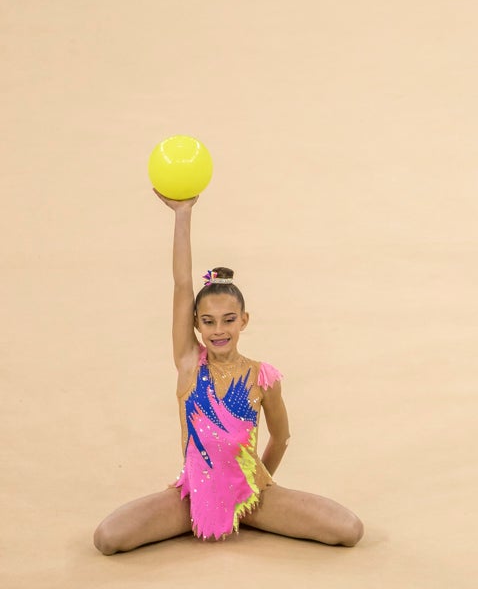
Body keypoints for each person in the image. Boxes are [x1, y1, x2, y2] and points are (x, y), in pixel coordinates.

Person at [93, 192, 362, 554]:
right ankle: (206, 513)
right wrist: (182, 213)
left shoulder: (262, 377)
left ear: (243, 321)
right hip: (194, 493)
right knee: (108, 538)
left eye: (228, 320)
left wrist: (254, 485)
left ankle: (242, 511)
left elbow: (280, 438)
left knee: (349, 529)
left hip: (251, 494)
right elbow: (182, 285)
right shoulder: (190, 363)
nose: (218, 330)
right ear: (197, 325)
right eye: (208, 322)